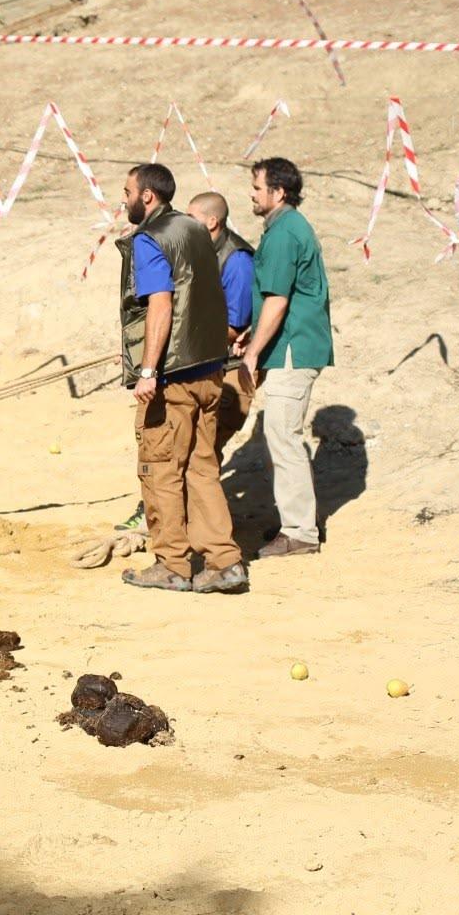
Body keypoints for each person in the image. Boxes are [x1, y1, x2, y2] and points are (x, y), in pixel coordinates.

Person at [117, 163, 247, 594]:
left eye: (128, 192)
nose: (125, 199)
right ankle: (224, 561)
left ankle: (172, 562)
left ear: (147, 197)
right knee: (201, 467)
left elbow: (161, 303)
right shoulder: (195, 229)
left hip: (173, 375)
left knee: (160, 469)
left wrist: (149, 370)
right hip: (210, 370)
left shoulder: (149, 238)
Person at [242, 157, 334, 558]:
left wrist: (252, 352)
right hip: (291, 347)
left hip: (292, 350)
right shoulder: (287, 227)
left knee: (283, 437)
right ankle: (294, 523)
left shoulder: (283, 233)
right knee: (282, 436)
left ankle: (300, 532)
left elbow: (278, 301)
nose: (252, 193)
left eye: (258, 187)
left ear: (278, 192)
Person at [186, 191, 257, 455]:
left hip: (233, 369)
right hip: (207, 362)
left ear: (212, 222)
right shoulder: (200, 251)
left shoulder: (237, 262)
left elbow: (234, 328)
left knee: (206, 449)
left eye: (191, 218)